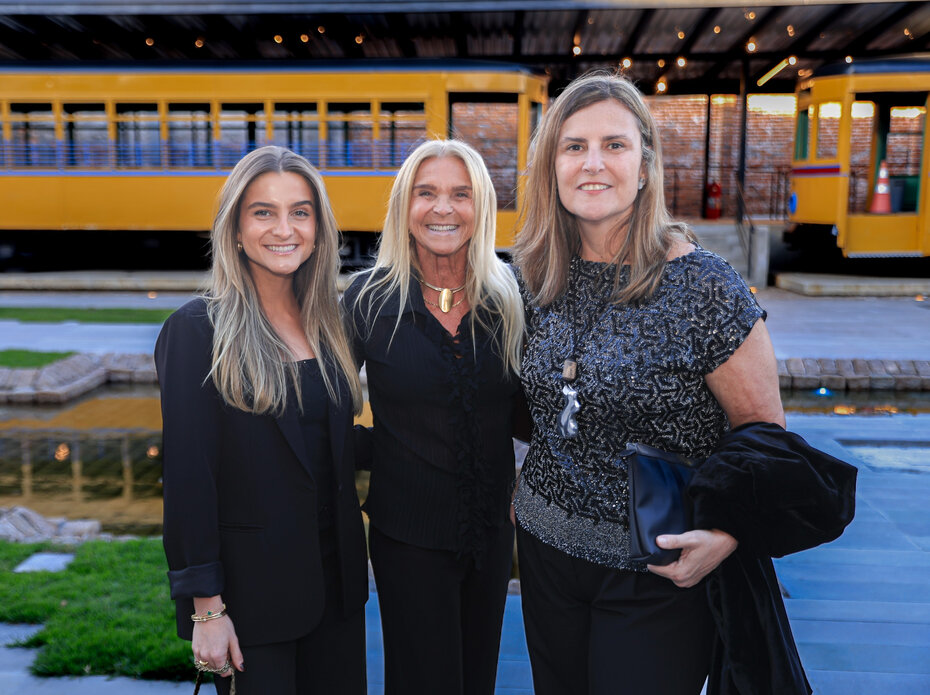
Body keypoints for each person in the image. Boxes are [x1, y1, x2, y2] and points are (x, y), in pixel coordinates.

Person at [511, 71, 785, 695]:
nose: (593, 164)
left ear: (644, 165)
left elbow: (764, 434)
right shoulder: (530, 279)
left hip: (658, 569)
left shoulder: (705, 287)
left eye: (615, 145)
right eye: (573, 146)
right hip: (548, 557)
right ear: (551, 166)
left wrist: (730, 531)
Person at [154, 146, 368, 695]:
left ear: (319, 228)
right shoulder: (198, 331)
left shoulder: (328, 323)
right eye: (263, 211)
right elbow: (188, 478)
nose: (284, 228)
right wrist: (206, 609)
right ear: (237, 225)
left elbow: (329, 443)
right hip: (253, 605)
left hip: (338, 593)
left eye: (300, 211)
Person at [343, 139, 524, 695]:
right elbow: (325, 411)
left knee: (477, 680)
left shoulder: (512, 296)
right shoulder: (367, 300)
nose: (443, 208)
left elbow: (529, 416)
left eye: (460, 194)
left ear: (481, 207)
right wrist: (383, 448)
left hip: (492, 537)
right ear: (405, 206)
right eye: (427, 193)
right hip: (407, 539)